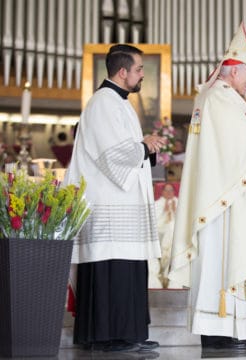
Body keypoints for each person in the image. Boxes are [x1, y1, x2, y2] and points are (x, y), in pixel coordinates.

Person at [167, 22, 246, 350]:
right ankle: (219, 333)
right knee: (223, 261)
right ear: (234, 70)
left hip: (220, 195)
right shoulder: (219, 98)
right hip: (221, 201)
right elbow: (241, 147)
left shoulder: (214, 97)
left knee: (223, 262)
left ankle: (225, 332)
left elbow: (235, 145)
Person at [64, 44, 167, 352]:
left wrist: (146, 148)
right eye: (138, 70)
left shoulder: (119, 103)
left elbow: (123, 151)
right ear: (123, 72)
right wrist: (144, 146)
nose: (141, 76)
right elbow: (111, 155)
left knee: (128, 269)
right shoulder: (103, 104)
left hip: (122, 205)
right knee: (113, 269)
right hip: (109, 207)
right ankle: (107, 336)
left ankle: (128, 333)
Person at [148, 183, 178, 288]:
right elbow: (152, 223)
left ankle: (168, 271)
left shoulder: (179, 203)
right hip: (160, 233)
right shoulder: (156, 204)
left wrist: (175, 212)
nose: (169, 193)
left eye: (171, 190)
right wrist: (164, 211)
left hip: (173, 234)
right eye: (167, 190)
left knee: (172, 227)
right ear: (162, 192)